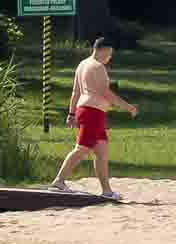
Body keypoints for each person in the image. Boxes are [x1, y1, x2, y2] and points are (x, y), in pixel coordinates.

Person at [53, 35, 138, 198]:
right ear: (102, 50)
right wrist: (128, 107)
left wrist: (71, 113)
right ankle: (59, 181)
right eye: (109, 53)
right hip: (92, 112)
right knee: (82, 148)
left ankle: (106, 191)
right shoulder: (98, 67)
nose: (110, 57)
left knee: (101, 152)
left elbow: (75, 92)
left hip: (89, 111)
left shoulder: (82, 64)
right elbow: (105, 93)